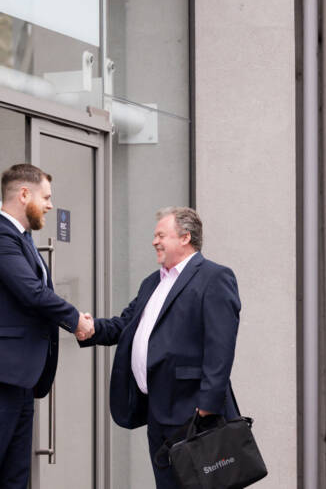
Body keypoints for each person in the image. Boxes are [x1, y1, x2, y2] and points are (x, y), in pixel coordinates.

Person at [78, 206, 241, 489]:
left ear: (185, 237)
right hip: (157, 410)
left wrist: (206, 409)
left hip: (193, 413)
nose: (154, 241)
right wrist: (90, 329)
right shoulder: (152, 282)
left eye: (160, 235)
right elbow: (124, 325)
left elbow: (221, 346)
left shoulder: (214, 277)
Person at [0, 163, 94, 489]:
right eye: (46, 197)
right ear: (24, 194)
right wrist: (76, 319)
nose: (50, 205)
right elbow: (33, 294)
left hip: (20, 378)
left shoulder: (23, 240)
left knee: (15, 478)